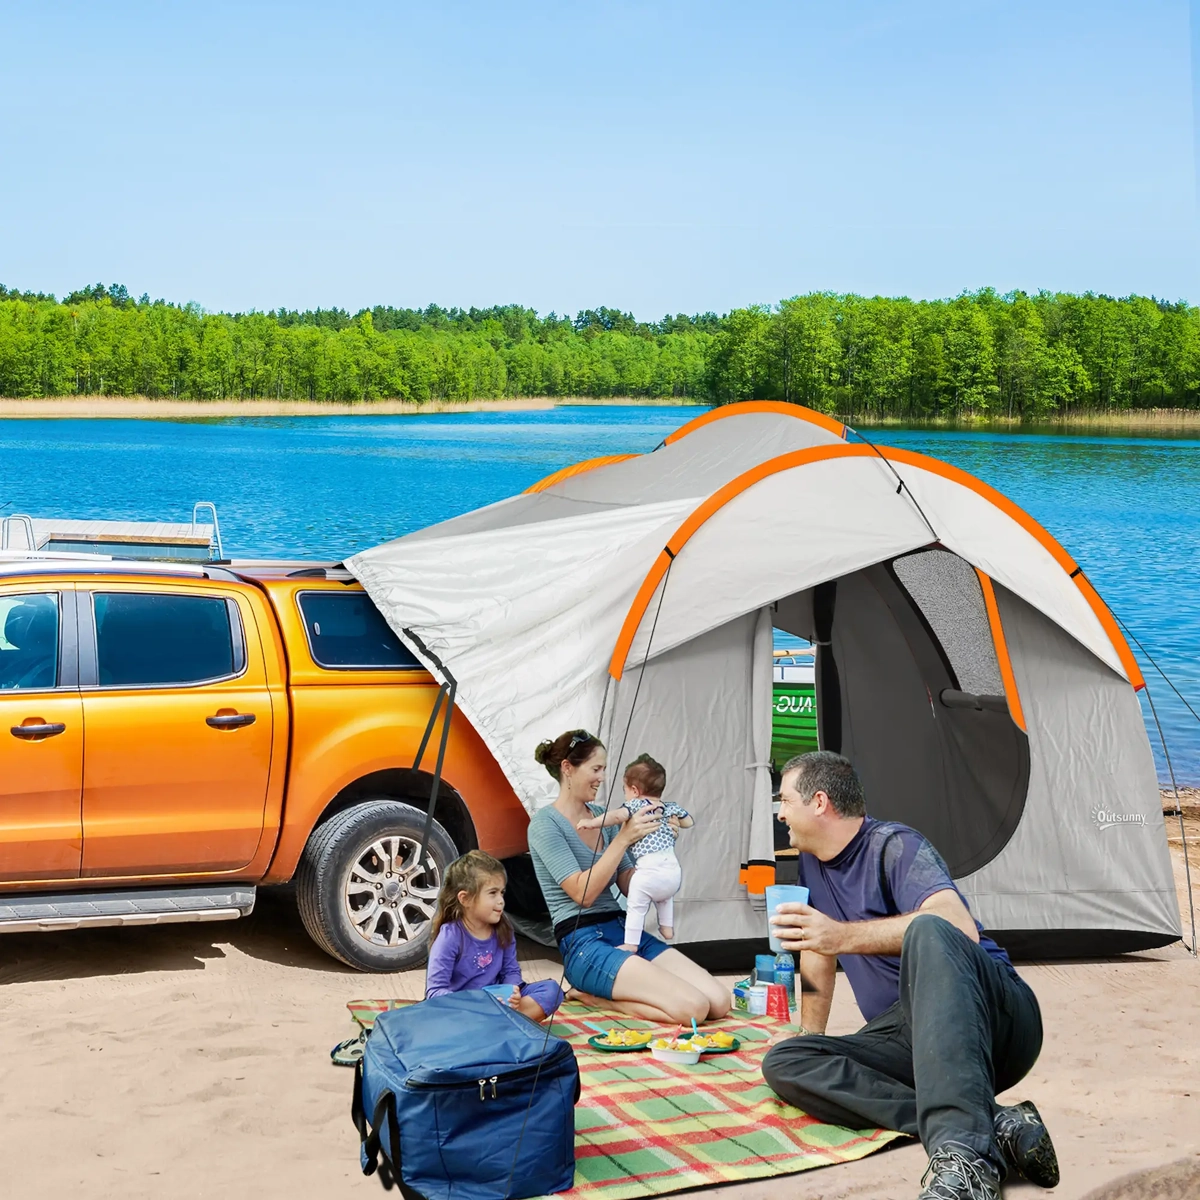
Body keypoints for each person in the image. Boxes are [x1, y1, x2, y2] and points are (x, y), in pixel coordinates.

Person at [761, 751, 1059, 1200]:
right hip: (912, 1039)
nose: (780, 812)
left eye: (784, 800)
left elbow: (955, 927)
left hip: (994, 1018)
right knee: (787, 1062)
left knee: (929, 929)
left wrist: (840, 935)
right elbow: (819, 951)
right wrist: (809, 1036)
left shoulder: (896, 846)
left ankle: (966, 1160)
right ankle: (994, 1124)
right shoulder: (810, 864)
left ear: (819, 802)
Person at [526, 729, 729, 1025]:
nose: (602, 777)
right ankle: (597, 998)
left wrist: (657, 851)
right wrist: (622, 839)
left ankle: (618, 992)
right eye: (596, 769)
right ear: (568, 768)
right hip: (583, 941)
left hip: (622, 929)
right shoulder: (545, 825)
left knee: (719, 1002)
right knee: (694, 1009)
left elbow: (627, 882)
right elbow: (583, 894)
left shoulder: (604, 816)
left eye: (605, 770)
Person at [425, 850, 563, 1022]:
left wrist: (512, 991)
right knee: (439, 1014)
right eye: (492, 893)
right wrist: (476, 1004)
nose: (501, 901)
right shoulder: (450, 936)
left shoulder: (503, 929)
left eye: (502, 892)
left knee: (552, 991)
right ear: (465, 899)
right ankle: (504, 1022)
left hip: (499, 1001)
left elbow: (511, 971)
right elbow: (435, 991)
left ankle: (498, 1022)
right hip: (465, 1007)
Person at [576, 752, 693, 949]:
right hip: (673, 872)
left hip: (649, 873)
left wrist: (592, 822)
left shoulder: (636, 805)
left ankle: (631, 944)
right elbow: (688, 821)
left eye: (625, 790)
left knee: (637, 905)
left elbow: (615, 816)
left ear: (634, 790)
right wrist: (676, 822)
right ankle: (667, 928)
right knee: (664, 897)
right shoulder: (669, 807)